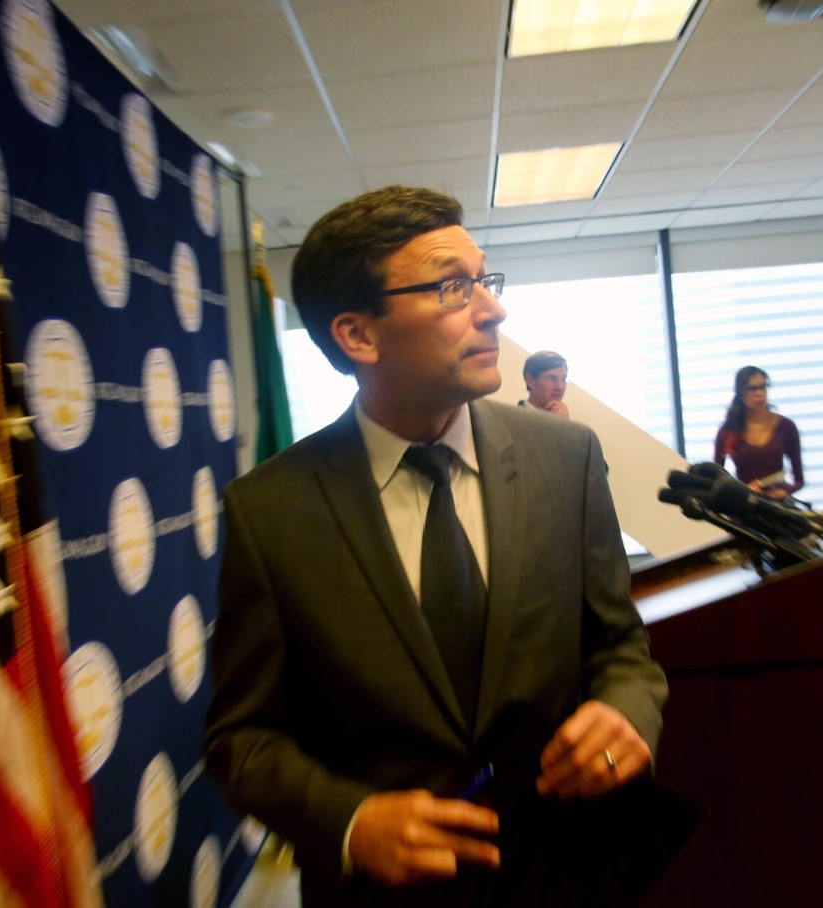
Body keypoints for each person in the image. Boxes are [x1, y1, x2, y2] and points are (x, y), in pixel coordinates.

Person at [204, 186, 669, 905]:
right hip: (388, 893)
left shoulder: (567, 458)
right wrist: (350, 821)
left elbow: (619, 648)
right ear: (359, 336)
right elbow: (244, 738)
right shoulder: (271, 510)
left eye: (485, 279)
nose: (493, 308)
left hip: (568, 867)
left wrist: (627, 711)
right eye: (454, 286)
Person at [713, 365, 803, 500]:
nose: (759, 393)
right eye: (752, 389)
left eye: (763, 387)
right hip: (744, 504)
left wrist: (784, 492)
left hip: (778, 505)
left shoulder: (785, 426)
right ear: (740, 393)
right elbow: (716, 477)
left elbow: (799, 480)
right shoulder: (728, 431)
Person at [519, 350, 569, 417]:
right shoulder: (514, 418)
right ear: (531, 381)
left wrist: (565, 424)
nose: (560, 387)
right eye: (552, 378)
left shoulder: (564, 419)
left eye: (563, 379)